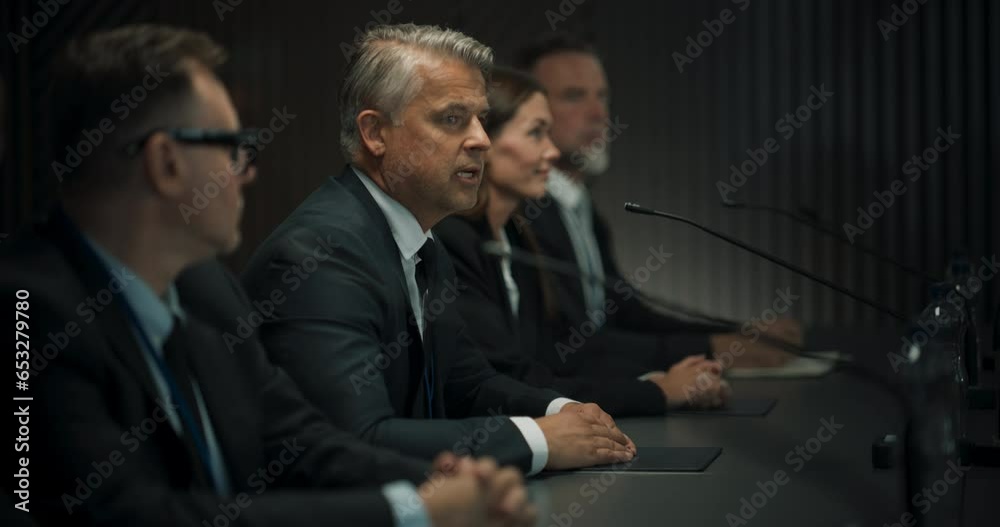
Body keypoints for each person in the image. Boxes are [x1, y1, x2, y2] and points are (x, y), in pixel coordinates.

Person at [0, 24, 534, 527]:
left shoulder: (206, 289)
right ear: (165, 162)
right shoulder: (28, 312)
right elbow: (133, 517)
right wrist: (412, 511)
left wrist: (450, 488)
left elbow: (299, 441)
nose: (246, 169)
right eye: (232, 146)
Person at [241, 23, 636, 476]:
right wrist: (538, 440)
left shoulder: (424, 241)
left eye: (481, 119)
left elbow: (467, 382)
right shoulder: (319, 256)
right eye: (452, 119)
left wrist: (566, 410)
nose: (481, 140)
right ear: (375, 133)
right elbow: (355, 438)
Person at [435, 67, 728, 414]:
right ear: (485, 142)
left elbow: (554, 360)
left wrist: (664, 379)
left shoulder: (517, 237)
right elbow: (511, 380)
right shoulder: (455, 241)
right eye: (535, 134)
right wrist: (656, 391)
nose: (551, 151)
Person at [514, 33, 803, 371]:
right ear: (528, 112)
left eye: (602, 96)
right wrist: (714, 347)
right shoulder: (521, 213)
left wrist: (739, 333)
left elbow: (627, 315)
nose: (598, 113)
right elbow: (567, 345)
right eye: (574, 96)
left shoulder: (581, 207)